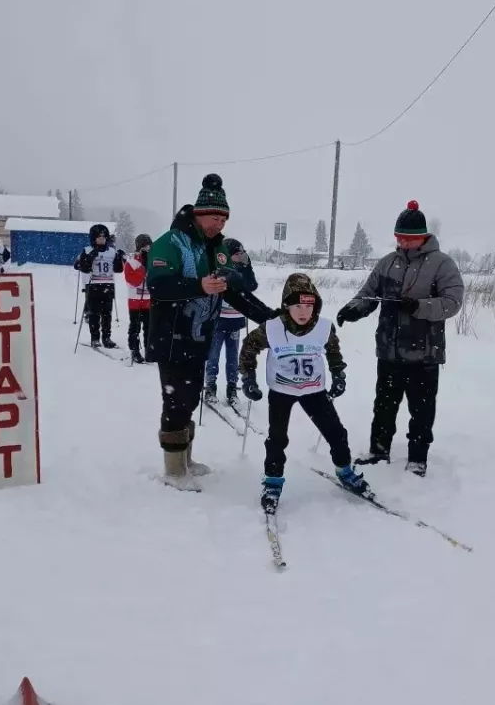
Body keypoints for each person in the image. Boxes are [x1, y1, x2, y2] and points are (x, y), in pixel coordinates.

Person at [146, 173, 276, 487]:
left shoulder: (217, 249)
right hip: (172, 334)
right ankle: (174, 470)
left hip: (199, 335)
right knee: (176, 400)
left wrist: (270, 318)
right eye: (215, 217)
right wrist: (198, 285)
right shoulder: (170, 242)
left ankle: (186, 458)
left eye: (224, 218)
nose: (220, 224)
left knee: (190, 399)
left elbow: (231, 291)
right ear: (198, 214)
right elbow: (157, 285)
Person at [336, 200, 463, 477]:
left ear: (423, 236)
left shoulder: (442, 264)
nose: (403, 243)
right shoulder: (387, 263)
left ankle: (417, 458)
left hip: (424, 354)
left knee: (421, 410)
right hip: (390, 351)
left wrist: (418, 306)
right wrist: (353, 309)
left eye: (409, 238)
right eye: (399, 238)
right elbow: (368, 294)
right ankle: (378, 450)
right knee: (383, 405)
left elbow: (452, 302)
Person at [239, 272, 371, 512]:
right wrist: (248, 378)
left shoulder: (323, 327)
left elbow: (333, 353)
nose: (303, 312)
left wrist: (339, 374)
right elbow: (248, 347)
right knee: (277, 439)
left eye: (309, 305)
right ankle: (272, 481)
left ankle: (345, 470)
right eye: (297, 305)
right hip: (281, 390)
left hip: (314, 389)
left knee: (336, 433)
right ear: (287, 306)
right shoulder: (272, 328)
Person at [204, 237, 258, 404]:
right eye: (238, 253)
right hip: (217, 320)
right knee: (213, 355)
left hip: (235, 320)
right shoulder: (220, 268)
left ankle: (232, 387)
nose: (241, 256)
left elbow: (252, 286)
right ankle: (210, 386)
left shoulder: (243, 269)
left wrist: (247, 265)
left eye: (243, 253)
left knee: (233, 356)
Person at [74, 224, 125, 349]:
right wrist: (90, 256)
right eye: (99, 237)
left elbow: (118, 270)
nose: (102, 239)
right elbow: (83, 268)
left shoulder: (112, 252)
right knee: (94, 314)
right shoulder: (87, 250)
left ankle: (106, 338)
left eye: (104, 237)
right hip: (94, 285)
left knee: (107, 314)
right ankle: (95, 338)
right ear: (93, 238)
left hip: (108, 284)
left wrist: (120, 258)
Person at [124, 233, 152, 364]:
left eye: (149, 246)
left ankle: (149, 350)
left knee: (149, 327)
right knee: (135, 327)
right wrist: (142, 268)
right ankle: (134, 350)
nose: (148, 249)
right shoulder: (132, 262)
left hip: (149, 300)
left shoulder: (152, 260)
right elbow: (132, 280)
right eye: (145, 247)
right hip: (135, 300)